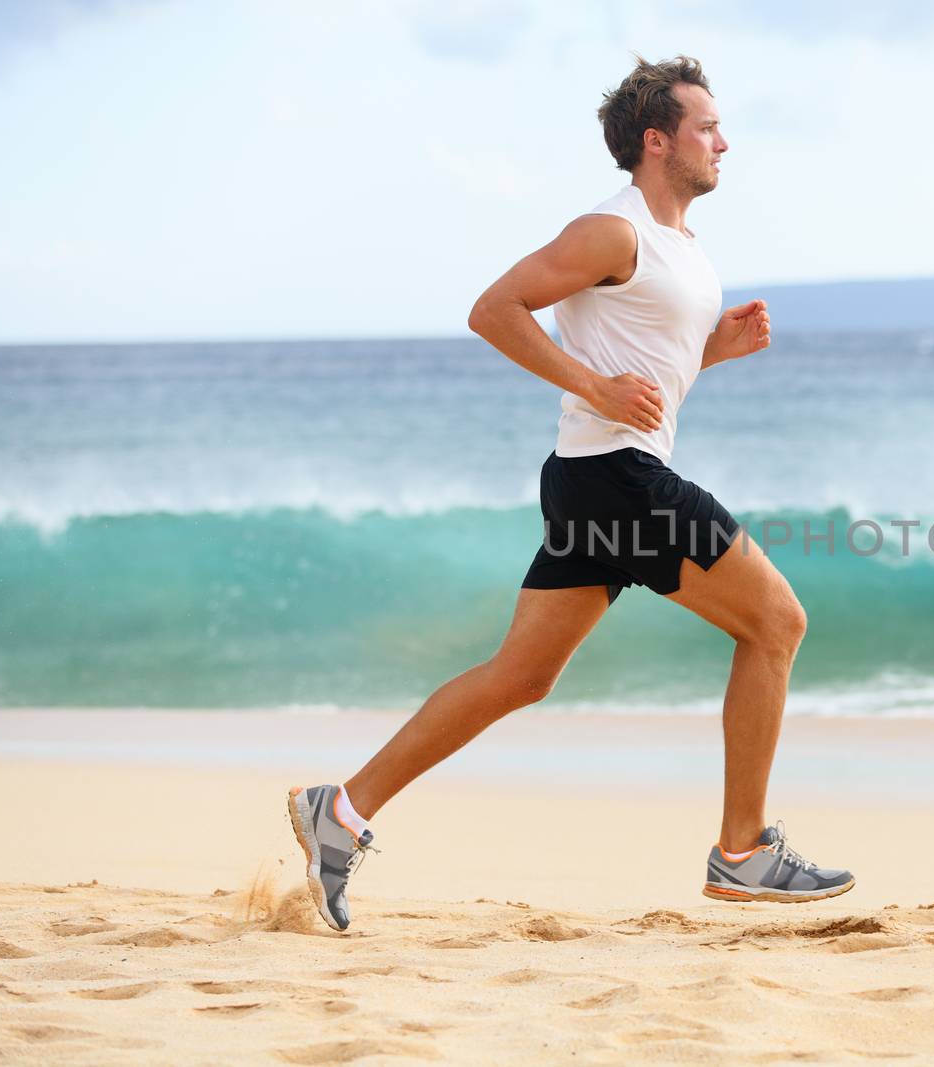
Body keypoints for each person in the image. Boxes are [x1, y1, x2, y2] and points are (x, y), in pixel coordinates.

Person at [286, 55, 855, 932]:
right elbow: (494, 309)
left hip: (595, 479)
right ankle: (742, 852)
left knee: (520, 675)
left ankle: (344, 811)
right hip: (616, 477)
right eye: (707, 127)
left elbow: (652, 371)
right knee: (777, 621)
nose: (723, 141)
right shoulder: (610, 231)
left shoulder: (684, 252)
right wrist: (592, 386)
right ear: (656, 141)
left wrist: (716, 351)